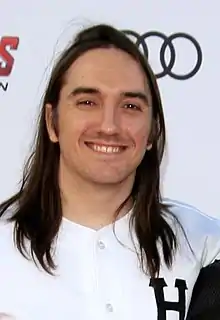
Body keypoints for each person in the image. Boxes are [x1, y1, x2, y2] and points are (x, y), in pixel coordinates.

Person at [0, 23, 219, 320]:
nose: (109, 126)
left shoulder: (204, 243)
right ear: (53, 122)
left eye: (130, 105)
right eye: (88, 102)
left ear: (153, 130)